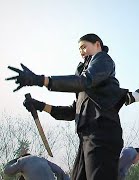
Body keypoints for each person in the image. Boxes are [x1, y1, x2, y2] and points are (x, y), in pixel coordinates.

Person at [6, 33, 128, 179]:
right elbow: (72, 111)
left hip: (102, 133)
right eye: (79, 50)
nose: (82, 52)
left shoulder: (102, 60)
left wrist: (42, 80)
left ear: (97, 45)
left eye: (84, 47)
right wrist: (41, 105)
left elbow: (84, 80)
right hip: (86, 138)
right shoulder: (85, 83)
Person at [4, 146, 69, 180]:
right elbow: (60, 171)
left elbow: (7, 171)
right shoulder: (42, 160)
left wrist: (16, 159)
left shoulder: (22, 161)